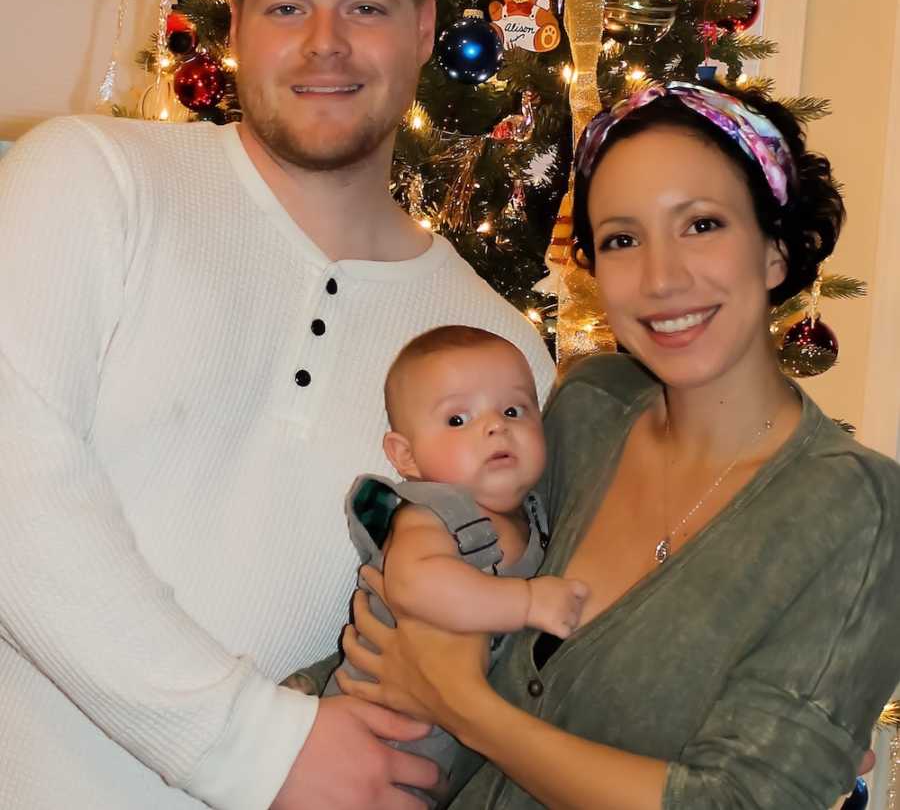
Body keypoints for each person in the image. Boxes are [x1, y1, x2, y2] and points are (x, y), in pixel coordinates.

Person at [0, 0, 555, 810]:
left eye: (366, 7)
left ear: (424, 29)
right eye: (288, 6)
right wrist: (252, 746)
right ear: (237, 23)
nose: (324, 45)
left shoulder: (504, 354)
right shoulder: (93, 180)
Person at [337, 80, 900, 809]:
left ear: (774, 249)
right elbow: (450, 560)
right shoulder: (588, 407)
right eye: (623, 240)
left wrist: (462, 705)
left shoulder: (858, 513)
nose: (662, 279)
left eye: (701, 225)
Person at [321, 326, 586, 801]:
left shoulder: (537, 516)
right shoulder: (431, 514)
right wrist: (526, 600)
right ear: (406, 456)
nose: (495, 426)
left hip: (442, 760)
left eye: (512, 410)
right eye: (458, 419)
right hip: (368, 741)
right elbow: (416, 585)